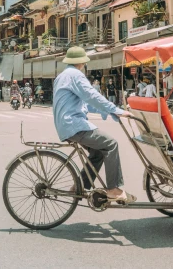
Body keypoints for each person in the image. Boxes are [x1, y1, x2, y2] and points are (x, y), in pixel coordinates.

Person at [53, 46, 135, 203]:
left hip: (66, 124)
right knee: (111, 144)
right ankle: (113, 189)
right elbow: (92, 96)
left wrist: (110, 112)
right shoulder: (76, 75)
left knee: (98, 152)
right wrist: (116, 110)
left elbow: (85, 103)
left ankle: (80, 185)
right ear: (82, 62)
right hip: (73, 124)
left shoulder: (62, 76)